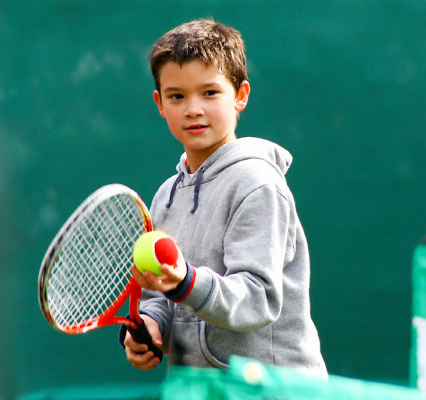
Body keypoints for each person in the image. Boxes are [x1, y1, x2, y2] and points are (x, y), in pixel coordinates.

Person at [120, 18, 327, 377]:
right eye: (177, 96)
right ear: (160, 103)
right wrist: (151, 327)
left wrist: (186, 281)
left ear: (240, 96)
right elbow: (164, 296)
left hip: (275, 388)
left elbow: (257, 298)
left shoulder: (258, 184)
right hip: (200, 386)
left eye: (210, 92)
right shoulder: (166, 196)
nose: (193, 109)